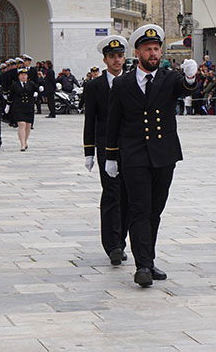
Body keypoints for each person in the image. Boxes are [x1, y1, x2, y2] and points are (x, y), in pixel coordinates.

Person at [105, 24, 198, 287]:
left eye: (157, 49)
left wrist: (190, 78)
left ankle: (149, 258)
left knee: (155, 211)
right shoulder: (123, 84)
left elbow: (186, 89)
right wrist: (110, 156)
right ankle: (142, 265)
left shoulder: (169, 78)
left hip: (164, 155)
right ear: (138, 52)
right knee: (139, 210)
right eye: (149, 49)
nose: (154, 53)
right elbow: (114, 121)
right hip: (134, 156)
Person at [83, 35, 130, 266]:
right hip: (105, 148)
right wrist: (88, 151)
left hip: (130, 148)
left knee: (128, 196)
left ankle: (121, 240)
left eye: (120, 56)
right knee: (111, 193)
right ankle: (112, 245)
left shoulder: (132, 82)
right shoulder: (94, 86)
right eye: (112, 57)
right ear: (105, 60)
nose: (117, 60)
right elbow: (90, 120)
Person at [7, 68, 39, 151]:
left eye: (25, 75)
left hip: (29, 107)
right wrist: (8, 105)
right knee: (22, 124)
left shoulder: (31, 84)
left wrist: (38, 91)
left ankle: (25, 141)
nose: (23, 76)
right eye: (22, 75)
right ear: (19, 76)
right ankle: (22, 144)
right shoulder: (15, 85)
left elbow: (38, 89)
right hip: (18, 107)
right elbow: (10, 96)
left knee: (28, 126)